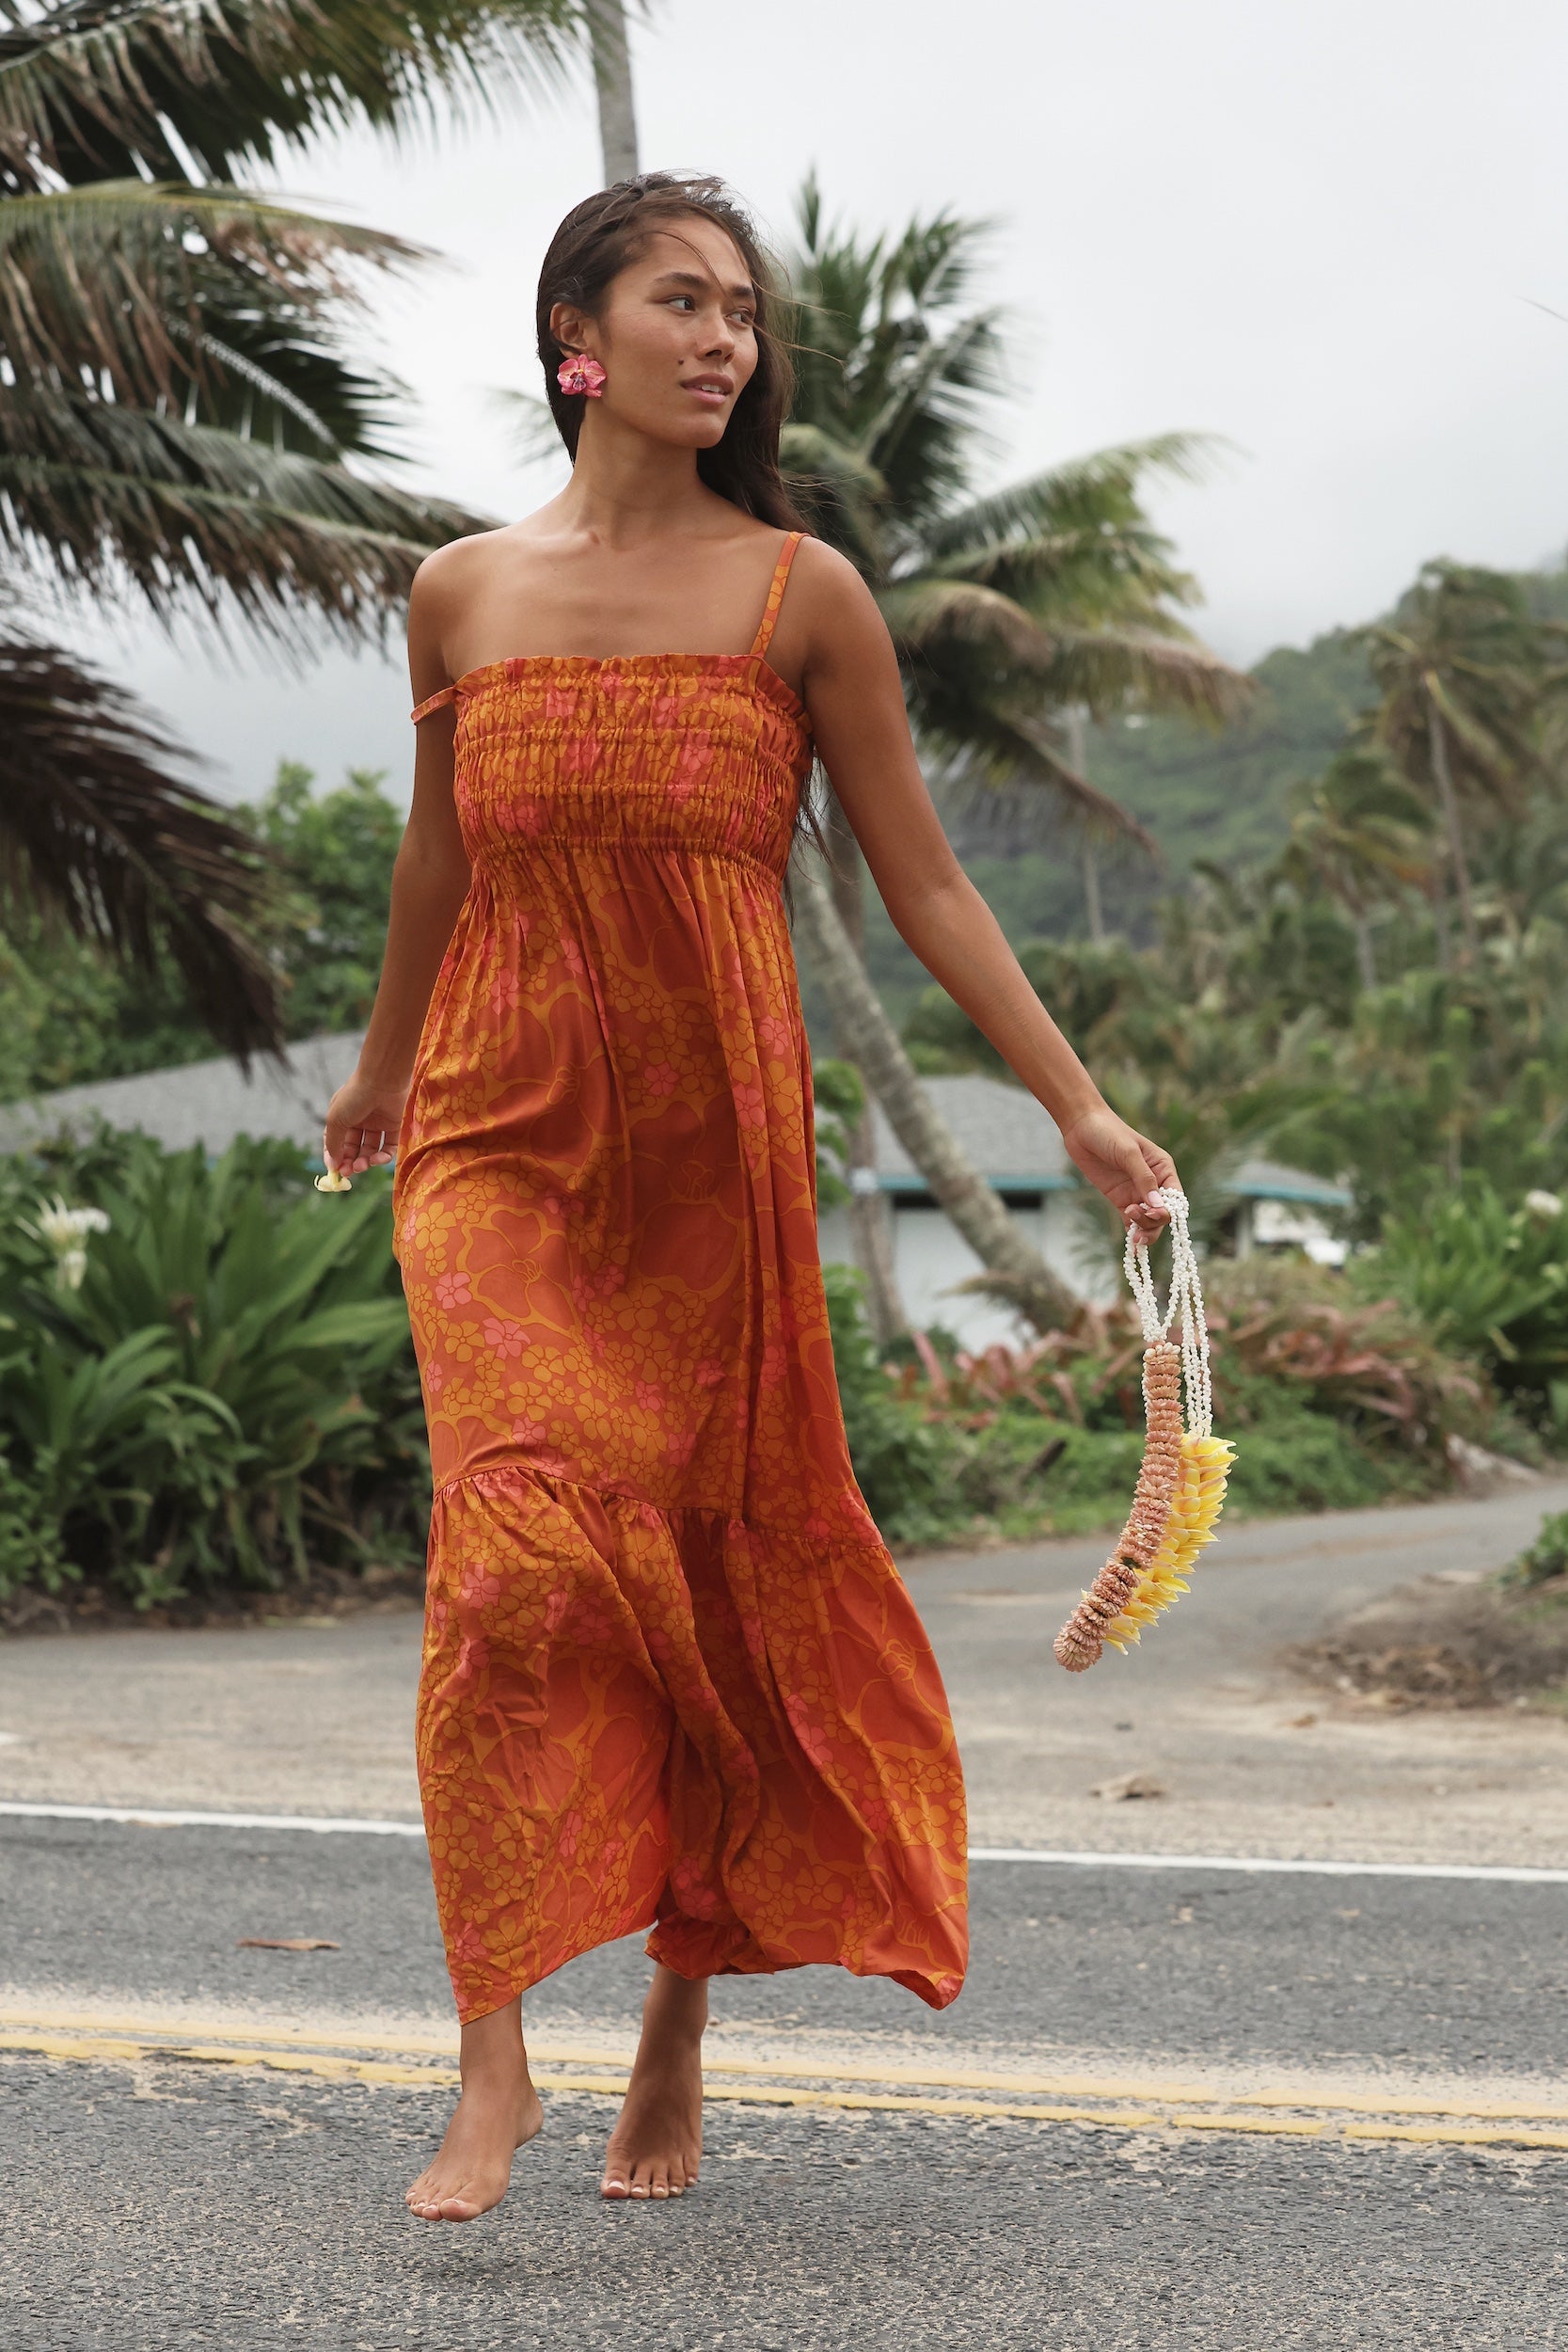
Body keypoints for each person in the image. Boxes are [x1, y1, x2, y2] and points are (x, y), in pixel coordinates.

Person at [322, 171, 1179, 2224]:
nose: (727, 339)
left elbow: (926, 880)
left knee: (704, 1575)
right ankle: (491, 2044)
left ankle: (679, 2002)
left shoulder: (802, 593)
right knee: (508, 1563)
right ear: (579, 341)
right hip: (496, 1122)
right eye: (683, 303)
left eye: (742, 312)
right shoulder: (459, 593)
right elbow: (440, 858)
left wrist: (1072, 1105)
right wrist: (378, 1064)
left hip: (710, 1142)